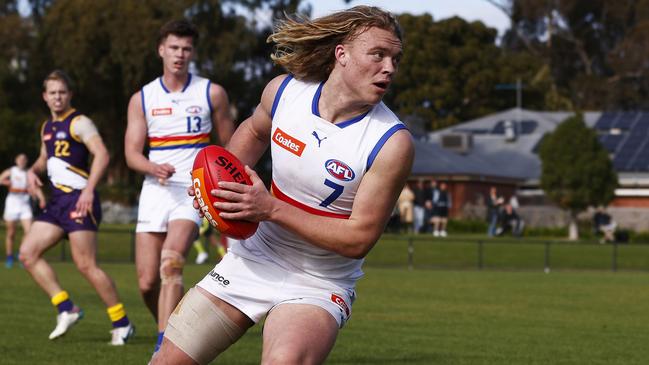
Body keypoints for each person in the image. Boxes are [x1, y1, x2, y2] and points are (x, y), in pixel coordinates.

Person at [153, 6, 412, 364]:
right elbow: (255, 130)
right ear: (343, 55)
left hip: (318, 282)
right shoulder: (286, 92)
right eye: (378, 55)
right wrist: (215, 189)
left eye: (395, 59)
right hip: (253, 259)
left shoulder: (391, 142)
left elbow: (358, 238)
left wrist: (270, 208)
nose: (389, 68)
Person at [124, 19, 235, 351]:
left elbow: (232, 145)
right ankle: (173, 325)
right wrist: (151, 166)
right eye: (174, 47)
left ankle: (163, 346)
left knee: (171, 263)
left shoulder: (211, 92)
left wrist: (223, 187)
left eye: (186, 49)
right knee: (146, 283)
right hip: (154, 190)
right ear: (161, 50)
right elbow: (131, 153)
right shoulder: (141, 98)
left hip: (191, 192)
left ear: (193, 53)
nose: (180, 54)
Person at [18, 70, 134, 345]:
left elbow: (103, 154)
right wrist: (33, 171)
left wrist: (90, 190)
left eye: (62, 92)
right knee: (27, 253)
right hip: (57, 203)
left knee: (85, 265)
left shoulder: (80, 123)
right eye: (52, 92)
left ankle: (122, 323)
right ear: (45, 96)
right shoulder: (46, 127)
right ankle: (66, 308)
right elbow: (45, 158)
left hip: (81, 199)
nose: (57, 97)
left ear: (69, 95)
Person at [1, 153, 46, 268]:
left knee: (29, 231)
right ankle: (9, 256)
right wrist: (7, 182)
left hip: (24, 205)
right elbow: (0, 179)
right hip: (12, 204)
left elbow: (35, 187)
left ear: (26, 161)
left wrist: (41, 199)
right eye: (20, 159)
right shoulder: (11, 171)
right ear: (16, 160)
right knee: (11, 233)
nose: (22, 161)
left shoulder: (29, 173)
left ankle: (22, 255)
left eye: (24, 159)